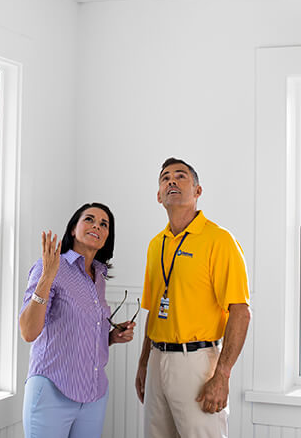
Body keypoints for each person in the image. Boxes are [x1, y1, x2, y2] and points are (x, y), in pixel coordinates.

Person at [135, 158, 251, 438]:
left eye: (180, 176)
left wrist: (221, 375)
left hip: (196, 363)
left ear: (198, 191)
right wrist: (142, 363)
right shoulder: (155, 245)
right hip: (156, 361)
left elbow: (240, 311)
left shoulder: (219, 240)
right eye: (165, 178)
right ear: (159, 195)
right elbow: (153, 310)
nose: (171, 181)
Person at [20, 202, 136, 438]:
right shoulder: (48, 267)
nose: (97, 226)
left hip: (94, 395)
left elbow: (81, 332)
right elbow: (28, 332)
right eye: (89, 219)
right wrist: (46, 279)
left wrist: (111, 337)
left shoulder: (99, 276)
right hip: (52, 390)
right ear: (73, 229)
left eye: (104, 224)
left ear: (107, 237)